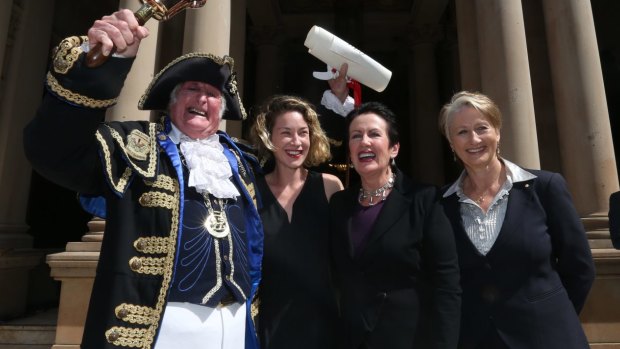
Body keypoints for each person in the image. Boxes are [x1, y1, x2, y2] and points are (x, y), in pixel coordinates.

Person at [23, 9, 263, 349]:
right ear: (172, 101)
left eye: (213, 94)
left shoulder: (241, 162)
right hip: (160, 328)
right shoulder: (134, 146)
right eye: (192, 88)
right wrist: (97, 70)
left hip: (235, 327)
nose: (203, 99)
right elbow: (53, 152)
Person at [438, 91, 596, 348]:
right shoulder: (441, 204)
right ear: (451, 143)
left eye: (482, 128)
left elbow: (580, 269)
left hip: (548, 338)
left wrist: (554, 317)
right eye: (462, 132)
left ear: (497, 132)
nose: (474, 139)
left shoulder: (546, 187)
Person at [329, 101, 461, 348]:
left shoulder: (425, 200)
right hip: (353, 339)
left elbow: (447, 284)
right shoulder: (339, 204)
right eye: (356, 136)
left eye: (374, 134)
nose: (364, 141)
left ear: (394, 148)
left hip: (411, 339)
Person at [249, 95, 344, 348]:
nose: (296, 141)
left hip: (324, 329)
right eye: (286, 133)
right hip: (268, 330)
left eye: (303, 132)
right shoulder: (251, 192)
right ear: (269, 138)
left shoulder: (330, 187)